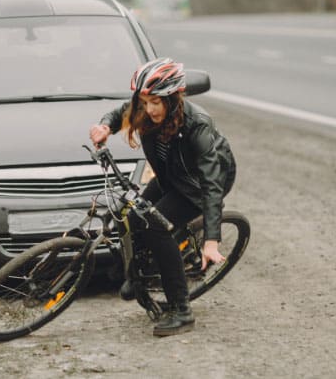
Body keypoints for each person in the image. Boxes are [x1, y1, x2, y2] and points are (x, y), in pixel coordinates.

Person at [89, 57, 237, 337]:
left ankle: (182, 311)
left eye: (156, 102)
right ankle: (138, 275)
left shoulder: (198, 125)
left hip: (197, 185)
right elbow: (122, 111)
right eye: (145, 101)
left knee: (156, 227)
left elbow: (212, 184)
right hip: (171, 175)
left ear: (174, 98)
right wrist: (105, 126)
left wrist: (211, 239)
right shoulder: (144, 109)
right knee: (132, 216)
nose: (149, 109)